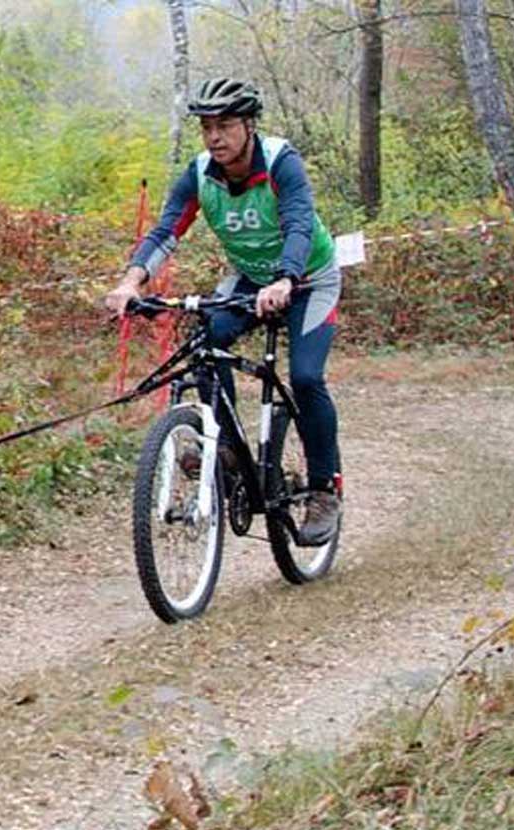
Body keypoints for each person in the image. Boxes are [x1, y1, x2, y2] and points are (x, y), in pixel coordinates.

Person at [104, 77, 342, 546]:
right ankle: (228, 451)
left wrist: (286, 278)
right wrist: (131, 282)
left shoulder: (281, 163)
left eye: (226, 125)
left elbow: (297, 223)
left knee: (308, 379)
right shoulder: (200, 174)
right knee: (205, 341)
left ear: (249, 125)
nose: (215, 137)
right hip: (251, 276)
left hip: (309, 277)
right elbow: (165, 231)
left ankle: (323, 489)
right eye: (207, 127)